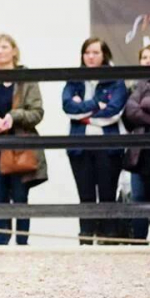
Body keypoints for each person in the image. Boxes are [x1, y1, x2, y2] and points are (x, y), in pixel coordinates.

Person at [0, 34, 48, 246]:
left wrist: (15, 116)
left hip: (21, 148)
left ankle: (23, 245)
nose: (0, 51)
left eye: (4, 47)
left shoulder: (26, 79)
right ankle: (1, 245)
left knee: (21, 199)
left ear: (14, 50)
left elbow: (37, 112)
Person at [62, 37, 128, 244]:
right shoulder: (74, 79)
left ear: (104, 55)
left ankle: (109, 239)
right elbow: (67, 107)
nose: (90, 57)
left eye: (95, 53)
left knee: (108, 195)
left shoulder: (115, 80)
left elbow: (114, 111)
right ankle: (86, 239)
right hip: (80, 146)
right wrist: (95, 104)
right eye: (87, 52)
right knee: (86, 195)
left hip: (107, 146)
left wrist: (85, 114)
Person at [122, 50, 150, 242]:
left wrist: (146, 103)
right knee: (140, 199)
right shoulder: (144, 83)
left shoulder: (145, 91)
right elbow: (130, 110)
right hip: (143, 153)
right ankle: (139, 243)